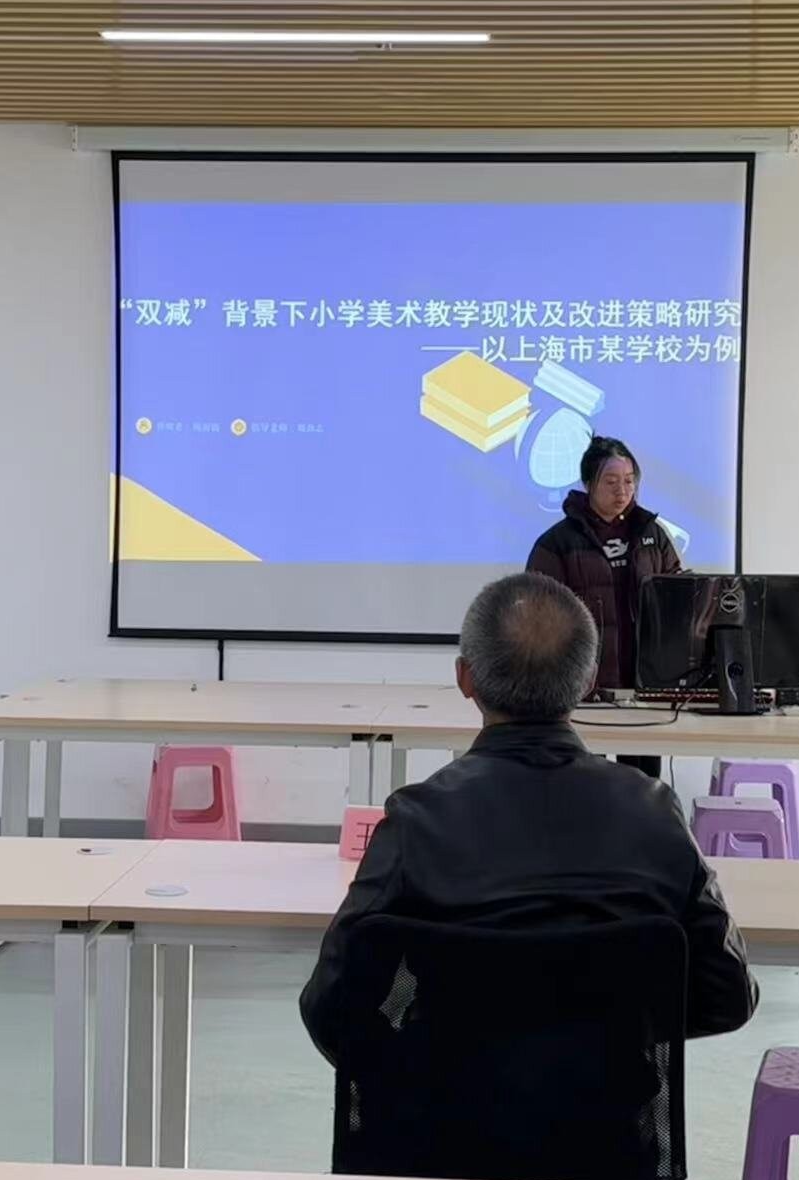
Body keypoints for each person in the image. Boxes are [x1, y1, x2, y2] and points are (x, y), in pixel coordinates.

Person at [301, 571, 756, 1064]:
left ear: (464, 678)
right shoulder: (654, 812)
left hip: (448, 1108)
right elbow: (728, 995)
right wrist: (618, 1029)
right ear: (588, 680)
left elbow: (331, 1005)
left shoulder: (416, 821)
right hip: (610, 1110)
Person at [527, 435, 682, 777]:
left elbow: (679, 594)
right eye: (611, 482)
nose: (622, 491)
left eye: (629, 481)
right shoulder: (558, 542)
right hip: (585, 690)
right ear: (588, 484)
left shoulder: (652, 534)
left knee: (642, 783)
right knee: (584, 781)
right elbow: (537, 614)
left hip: (644, 686)